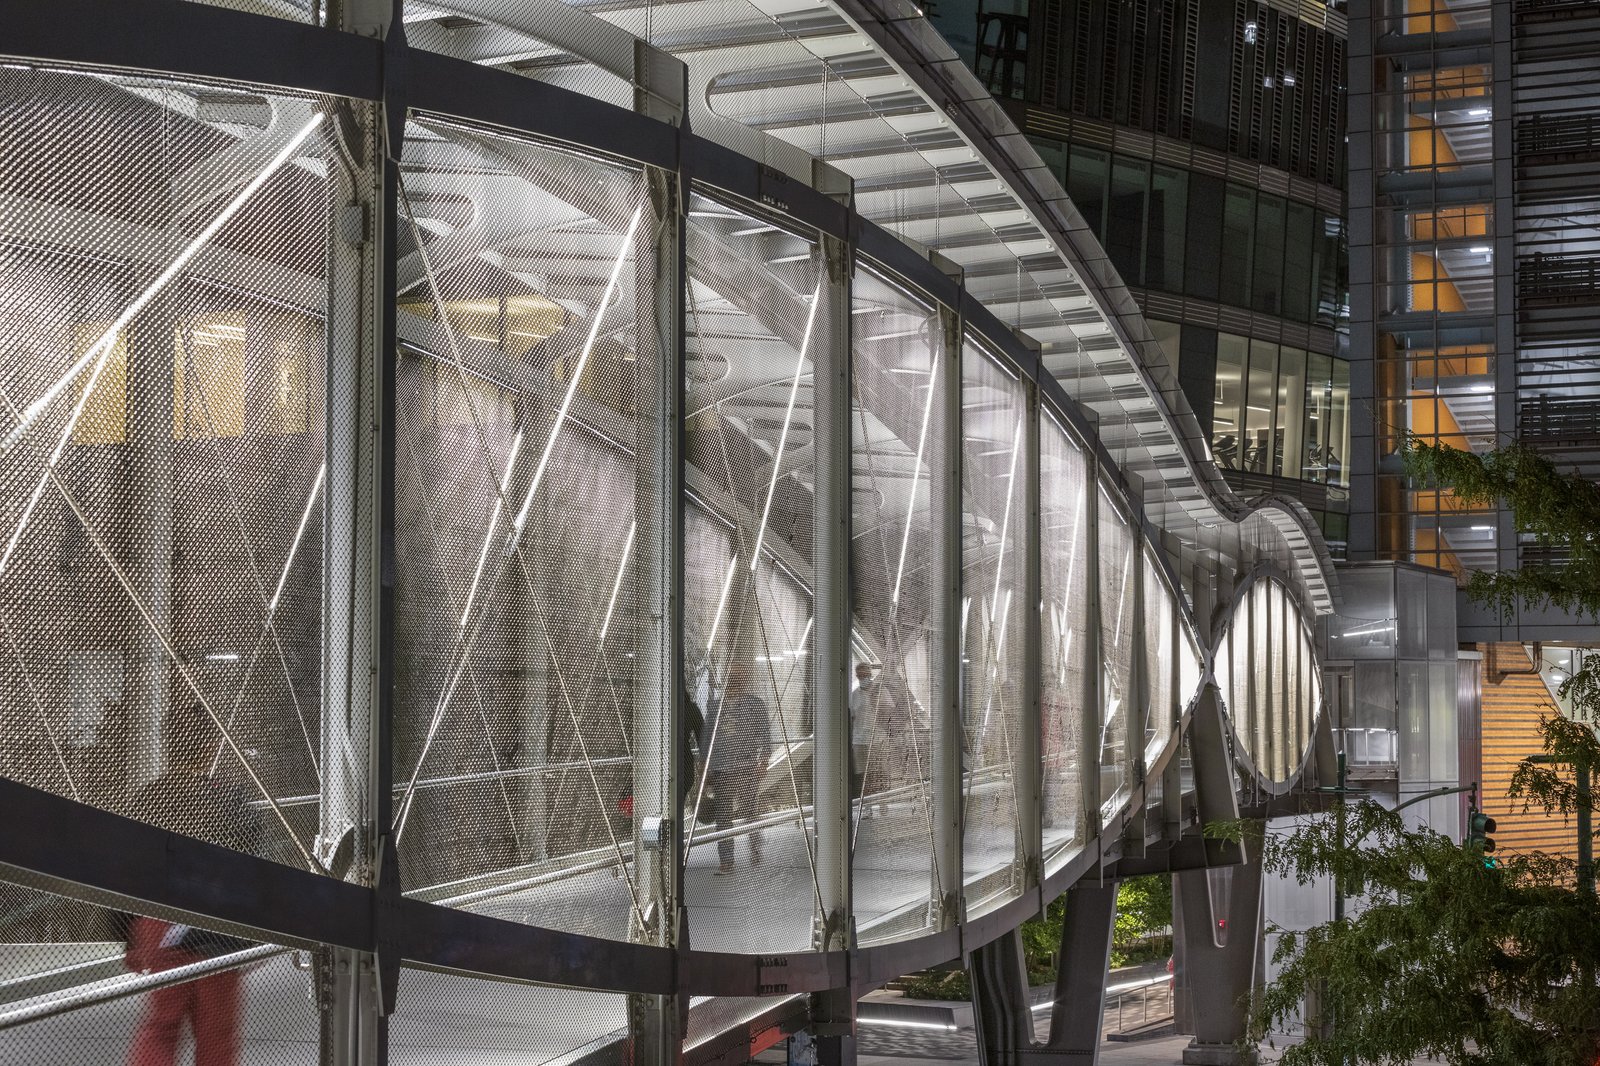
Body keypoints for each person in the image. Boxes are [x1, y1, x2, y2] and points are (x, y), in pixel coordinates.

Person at [124, 706, 257, 1066]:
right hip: (216, 925)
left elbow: (127, 868)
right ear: (209, 744)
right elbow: (251, 871)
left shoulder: (149, 798)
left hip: (161, 923)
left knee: (162, 1027)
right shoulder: (230, 801)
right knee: (217, 1037)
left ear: (167, 742)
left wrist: (129, 932)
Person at [703, 663, 771, 874]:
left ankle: (754, 843)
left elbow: (765, 736)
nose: (733, 680)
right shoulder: (715, 707)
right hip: (723, 769)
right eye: (730, 676)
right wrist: (705, 768)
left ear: (744, 680)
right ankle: (726, 860)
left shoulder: (755, 705)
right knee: (723, 816)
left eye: (737, 676)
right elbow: (707, 740)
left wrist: (764, 762)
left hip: (747, 766)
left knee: (750, 810)